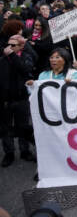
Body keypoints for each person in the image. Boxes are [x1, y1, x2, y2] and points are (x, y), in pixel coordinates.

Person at [0, 35, 35, 167]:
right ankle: (9, 153)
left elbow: (25, 70)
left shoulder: (26, 57)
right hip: (6, 101)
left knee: (23, 126)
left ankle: (24, 151)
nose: (9, 48)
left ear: (21, 46)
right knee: (6, 128)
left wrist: (13, 57)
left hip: (21, 99)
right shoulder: (3, 60)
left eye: (13, 45)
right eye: (8, 45)